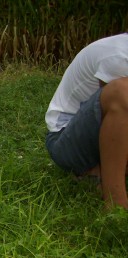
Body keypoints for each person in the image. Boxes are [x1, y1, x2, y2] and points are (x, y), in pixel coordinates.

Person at [45, 33, 128, 210]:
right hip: (65, 142)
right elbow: (119, 114)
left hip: (97, 137)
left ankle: (97, 174)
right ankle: (116, 207)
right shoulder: (121, 56)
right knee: (121, 92)